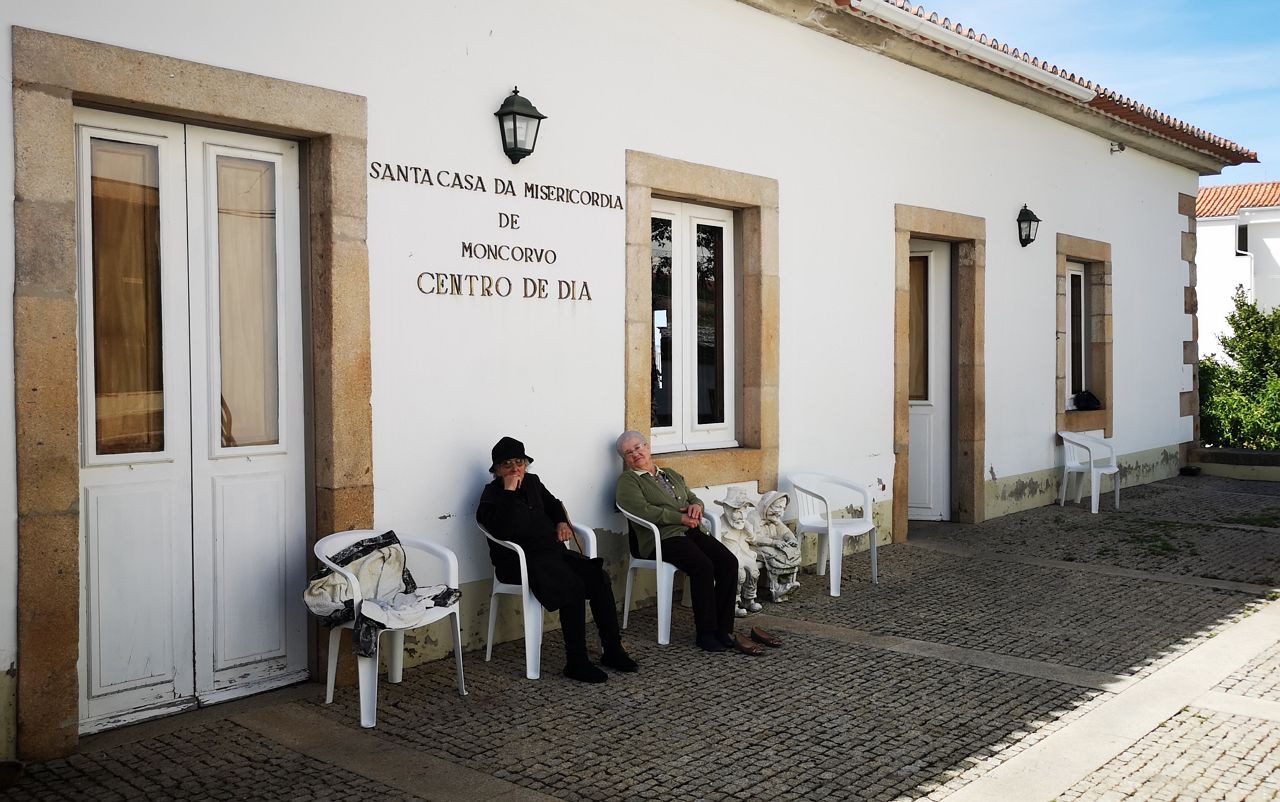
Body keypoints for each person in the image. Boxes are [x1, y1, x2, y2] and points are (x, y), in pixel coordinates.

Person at [477, 436, 637, 683]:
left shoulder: (533, 483)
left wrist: (562, 521)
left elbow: (555, 506)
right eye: (507, 464)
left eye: (519, 462)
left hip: (553, 554)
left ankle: (612, 649)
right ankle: (576, 662)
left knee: (598, 578)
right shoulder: (491, 496)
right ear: (497, 470)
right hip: (520, 563)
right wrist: (509, 493)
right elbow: (504, 531)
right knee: (571, 587)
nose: (515, 469)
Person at [613, 431, 764, 656]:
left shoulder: (671, 474)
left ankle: (724, 629)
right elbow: (642, 510)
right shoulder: (629, 480)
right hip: (661, 538)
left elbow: (692, 498)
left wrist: (697, 507)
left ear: (647, 446)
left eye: (638, 447)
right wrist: (679, 517)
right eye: (629, 452)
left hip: (690, 532)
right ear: (625, 459)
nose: (636, 454)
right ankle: (705, 633)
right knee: (702, 566)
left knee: (728, 562)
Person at [715, 487, 763, 617]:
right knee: (739, 574)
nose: (741, 515)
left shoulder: (744, 524)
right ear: (727, 509)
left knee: (754, 571)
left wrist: (750, 531)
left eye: (744, 510)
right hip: (729, 555)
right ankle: (733, 603)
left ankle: (749, 599)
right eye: (737, 511)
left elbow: (754, 541)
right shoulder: (720, 524)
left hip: (744, 553)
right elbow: (715, 544)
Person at [751, 490, 802, 602]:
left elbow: (785, 531)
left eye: (783, 508)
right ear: (768, 504)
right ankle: (776, 588)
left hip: (773, 544)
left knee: (792, 551)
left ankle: (786, 583)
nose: (780, 513)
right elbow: (753, 538)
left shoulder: (774, 518)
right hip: (757, 546)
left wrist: (790, 539)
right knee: (774, 555)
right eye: (778, 508)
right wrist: (773, 542)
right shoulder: (754, 517)